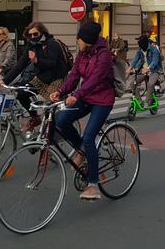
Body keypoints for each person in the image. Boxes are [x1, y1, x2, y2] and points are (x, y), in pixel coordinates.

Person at [50, 22, 114, 201]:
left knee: (89, 138)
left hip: (103, 100)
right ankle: (82, 150)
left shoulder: (104, 55)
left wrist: (76, 95)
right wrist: (61, 91)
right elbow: (74, 76)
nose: (77, 41)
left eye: (79, 38)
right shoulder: (82, 53)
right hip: (86, 97)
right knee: (61, 120)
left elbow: (95, 79)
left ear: (87, 40)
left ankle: (93, 185)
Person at [0, 22, 71, 131]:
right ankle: (35, 118)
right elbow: (20, 64)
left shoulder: (52, 43)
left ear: (42, 32)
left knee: (49, 108)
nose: (33, 37)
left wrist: (36, 60)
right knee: (21, 93)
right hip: (42, 77)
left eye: (35, 34)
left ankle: (48, 139)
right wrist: (4, 81)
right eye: (30, 35)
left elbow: (52, 63)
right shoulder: (32, 45)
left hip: (57, 77)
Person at [126, 35, 163, 108]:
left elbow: (155, 61)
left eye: (140, 43)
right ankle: (139, 101)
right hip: (143, 71)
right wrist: (130, 67)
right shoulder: (140, 49)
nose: (139, 45)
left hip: (154, 71)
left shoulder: (154, 49)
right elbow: (135, 59)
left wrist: (148, 68)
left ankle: (147, 101)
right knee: (132, 83)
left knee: (150, 84)